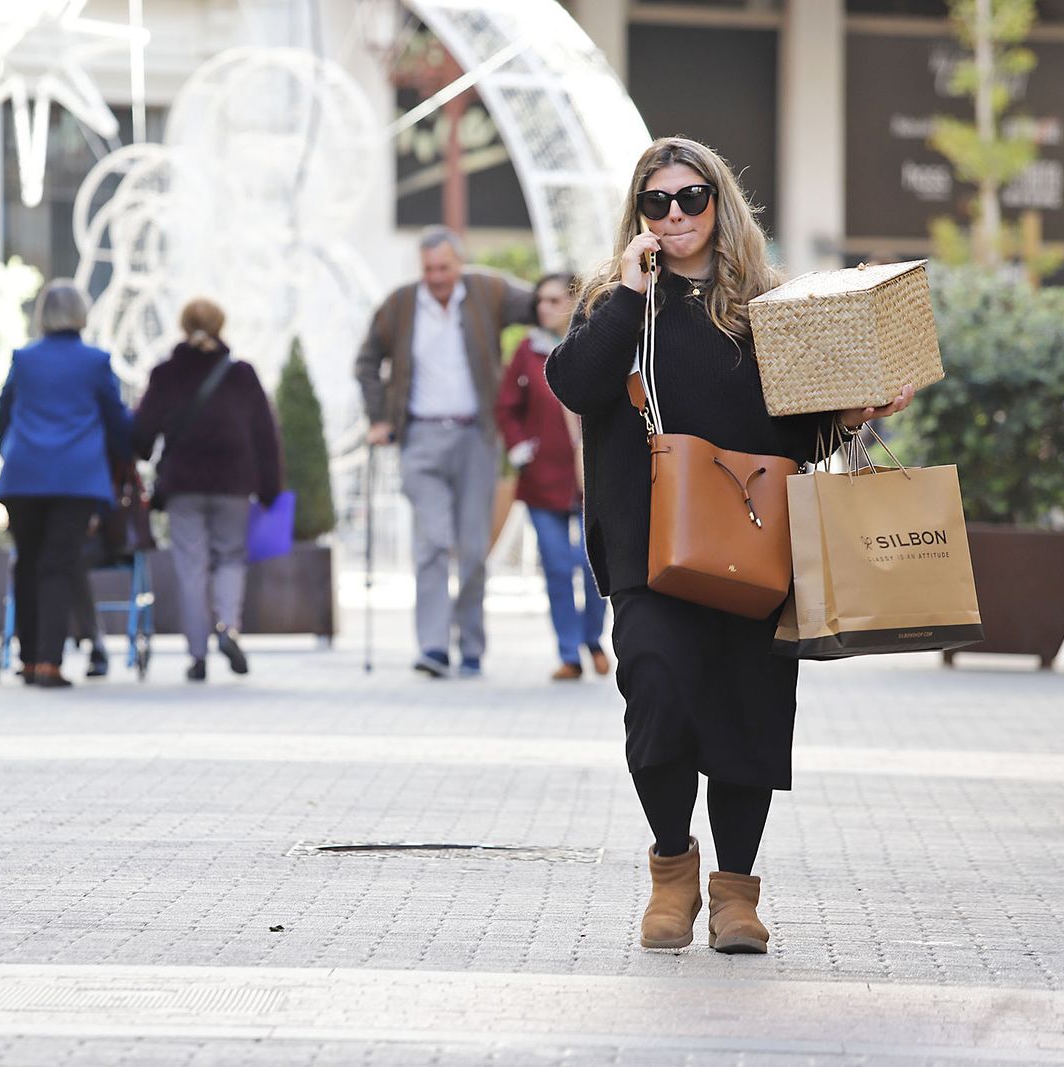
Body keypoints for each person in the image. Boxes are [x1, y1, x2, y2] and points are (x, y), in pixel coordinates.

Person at [545, 137, 913, 954]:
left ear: (719, 203)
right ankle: (671, 869)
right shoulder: (616, 301)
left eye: (691, 197)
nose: (675, 214)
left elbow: (799, 432)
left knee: (751, 713)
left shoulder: (768, 305)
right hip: (649, 549)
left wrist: (855, 413)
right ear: (638, 212)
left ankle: (736, 894)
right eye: (657, 201)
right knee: (657, 695)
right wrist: (629, 290)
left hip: (755, 542)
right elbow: (574, 384)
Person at [354, 226, 536, 679]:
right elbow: (367, 361)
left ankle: (470, 644)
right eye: (429, 269)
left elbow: (541, 303)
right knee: (432, 543)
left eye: (444, 268)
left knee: (473, 550)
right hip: (420, 438)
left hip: (476, 436)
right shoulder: (400, 304)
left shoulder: (487, 290)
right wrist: (379, 418)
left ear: (459, 263)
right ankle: (433, 647)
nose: (436, 277)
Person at [133, 298, 282, 683]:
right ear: (220, 325)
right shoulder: (242, 375)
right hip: (234, 482)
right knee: (231, 558)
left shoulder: (166, 373)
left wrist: (140, 451)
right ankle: (228, 627)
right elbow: (265, 435)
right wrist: (270, 488)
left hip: (183, 484)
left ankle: (197, 655)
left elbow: (143, 431)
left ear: (183, 326)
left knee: (191, 567)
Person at [0, 280, 131, 689]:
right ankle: (49, 664)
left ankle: (29, 659)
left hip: (24, 475)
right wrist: (125, 456)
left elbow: (2, 413)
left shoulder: (24, 359)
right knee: (57, 564)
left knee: (28, 563)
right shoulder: (95, 362)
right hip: (75, 477)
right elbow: (117, 421)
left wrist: (12, 448)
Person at [494, 274, 610, 682]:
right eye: (540, 301)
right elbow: (506, 407)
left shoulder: (595, 343)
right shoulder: (527, 350)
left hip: (590, 476)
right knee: (558, 567)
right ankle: (569, 652)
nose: (545, 308)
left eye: (555, 299)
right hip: (541, 478)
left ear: (575, 302)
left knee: (595, 564)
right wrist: (519, 448)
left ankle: (593, 638)